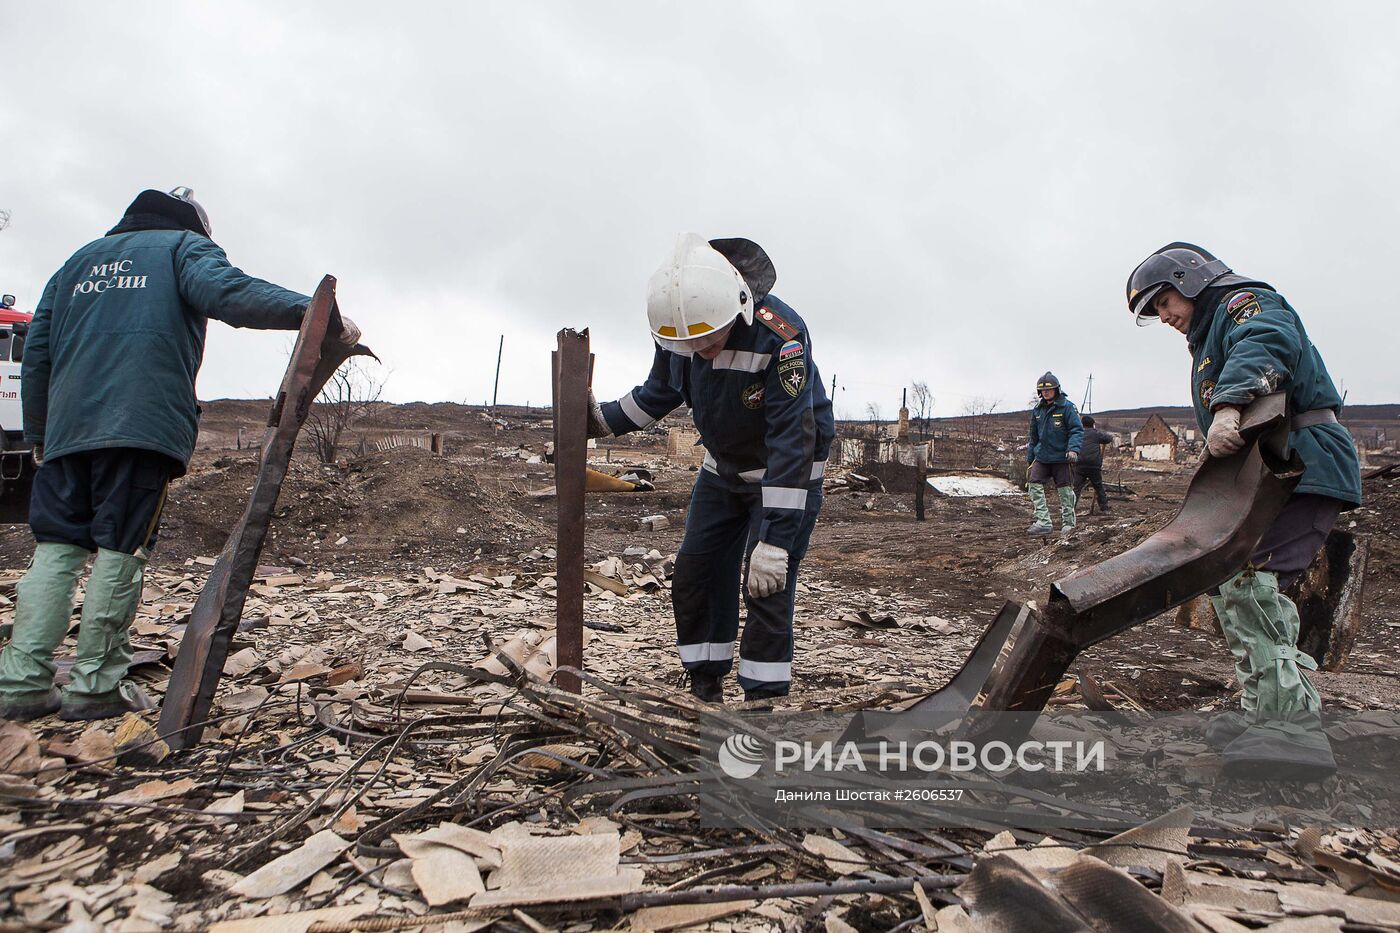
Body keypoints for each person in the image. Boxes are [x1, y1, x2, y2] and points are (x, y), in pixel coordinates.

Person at [0, 187, 360, 722]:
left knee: (57, 547)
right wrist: (316, 313)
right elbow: (229, 293)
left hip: (67, 433)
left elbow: (38, 354)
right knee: (122, 547)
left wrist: (40, 434)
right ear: (194, 226)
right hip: (140, 427)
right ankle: (95, 685)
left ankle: (22, 683)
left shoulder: (74, 264)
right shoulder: (181, 249)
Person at [1127, 242, 1360, 780]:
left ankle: (1289, 726)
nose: (1163, 317)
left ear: (1190, 281)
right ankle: (1267, 709)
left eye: (1164, 302)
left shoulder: (1244, 303)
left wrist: (1230, 402)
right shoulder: (1208, 335)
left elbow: (1267, 341)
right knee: (1239, 582)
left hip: (1303, 465)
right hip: (1274, 471)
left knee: (1251, 583)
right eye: (1156, 311)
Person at [589, 234, 832, 704]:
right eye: (689, 345)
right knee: (696, 574)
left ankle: (763, 701)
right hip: (721, 470)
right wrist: (597, 422)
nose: (701, 352)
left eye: (710, 342)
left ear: (736, 310)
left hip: (786, 474)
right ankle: (705, 686)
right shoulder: (679, 330)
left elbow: (791, 439)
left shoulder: (781, 337)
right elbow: (658, 393)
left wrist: (776, 540)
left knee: (765, 585)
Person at [1025, 372, 1083, 537]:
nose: (1046, 393)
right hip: (1042, 456)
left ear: (1056, 389)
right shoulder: (1037, 410)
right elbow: (1033, 437)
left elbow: (1076, 430)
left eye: (1049, 389)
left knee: (1065, 492)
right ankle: (1043, 521)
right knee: (1034, 484)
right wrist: (1030, 458)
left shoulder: (1067, 407)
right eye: (1043, 391)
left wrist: (1073, 449)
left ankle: (1069, 525)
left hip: (1061, 457)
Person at [1072, 415, 1115, 513]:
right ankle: (1104, 508)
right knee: (1098, 487)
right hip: (1093, 465)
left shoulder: (1078, 433)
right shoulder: (1096, 433)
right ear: (1093, 424)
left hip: (1079, 464)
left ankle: (1071, 509)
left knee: (1076, 488)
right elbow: (1108, 438)